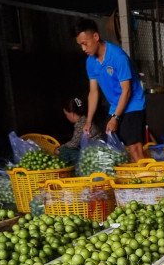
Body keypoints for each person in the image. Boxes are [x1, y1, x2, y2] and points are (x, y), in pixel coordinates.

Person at [74, 18, 147, 162]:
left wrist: (116, 117)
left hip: (133, 105)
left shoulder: (118, 57)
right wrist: (88, 121)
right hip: (115, 106)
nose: (83, 49)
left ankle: (150, 181)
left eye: (85, 43)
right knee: (111, 151)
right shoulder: (90, 62)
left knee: (134, 148)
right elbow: (93, 92)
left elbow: (127, 91)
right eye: (80, 45)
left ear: (95, 37)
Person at [55, 97, 101, 165]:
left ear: (72, 114)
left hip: (93, 154)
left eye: (66, 114)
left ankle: (69, 170)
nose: (66, 117)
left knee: (64, 150)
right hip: (95, 150)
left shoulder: (81, 124)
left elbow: (74, 144)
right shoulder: (85, 119)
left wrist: (59, 149)